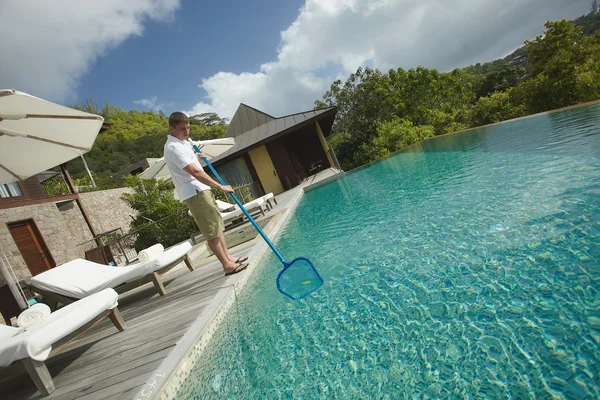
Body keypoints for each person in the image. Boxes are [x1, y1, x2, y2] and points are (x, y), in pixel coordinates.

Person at [164, 112, 248, 276]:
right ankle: (227, 265)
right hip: (195, 192)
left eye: (188, 127)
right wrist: (220, 187)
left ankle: (229, 258)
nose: (187, 132)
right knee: (211, 231)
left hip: (202, 190)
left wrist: (197, 157)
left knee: (217, 227)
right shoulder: (173, 147)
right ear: (172, 129)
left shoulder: (183, 143)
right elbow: (194, 172)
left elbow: (193, 165)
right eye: (182, 129)